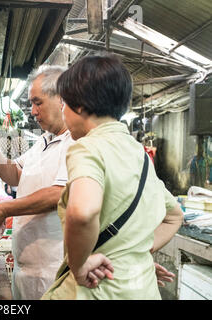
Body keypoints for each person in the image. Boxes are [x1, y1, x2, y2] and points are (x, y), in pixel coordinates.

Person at [42, 54, 183, 300]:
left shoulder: (88, 148)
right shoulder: (138, 154)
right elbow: (174, 216)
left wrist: (79, 266)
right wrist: (131, 256)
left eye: (64, 104)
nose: (63, 112)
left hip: (97, 291)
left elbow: (83, 212)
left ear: (80, 106)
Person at [0, 65, 74, 300]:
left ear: (61, 98)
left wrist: (4, 208)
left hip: (54, 269)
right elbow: (16, 175)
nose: (32, 111)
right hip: (27, 268)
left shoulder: (75, 143)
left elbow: (58, 194)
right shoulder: (44, 141)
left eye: (37, 102)